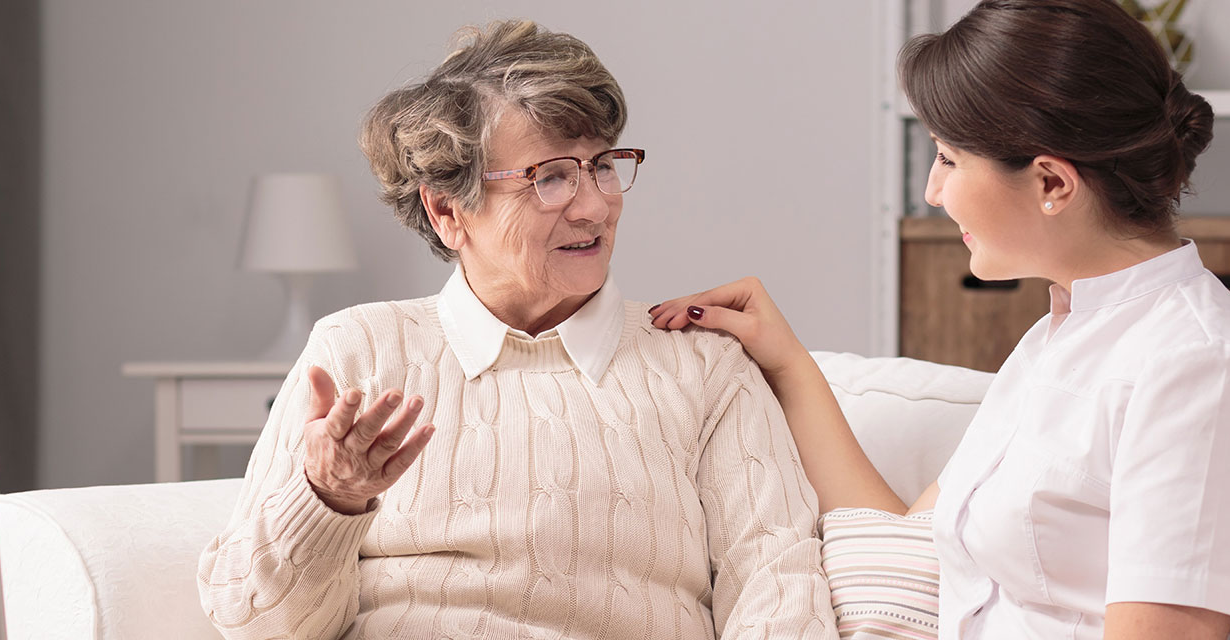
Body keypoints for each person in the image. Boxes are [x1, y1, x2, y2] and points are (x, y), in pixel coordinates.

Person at [650, 1, 1230, 638]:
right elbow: (912, 538)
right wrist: (787, 362)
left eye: (947, 159)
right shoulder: (1063, 335)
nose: (931, 191)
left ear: (1052, 183)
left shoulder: (1197, 371)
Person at [197, 19, 834, 639]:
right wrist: (328, 500)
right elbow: (258, 625)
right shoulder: (358, 350)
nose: (594, 207)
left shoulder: (703, 366)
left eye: (603, 165)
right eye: (550, 177)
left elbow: (779, 597)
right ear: (447, 209)